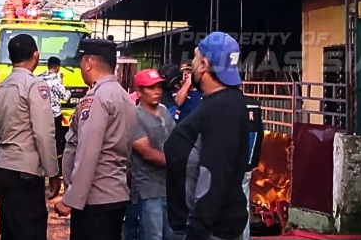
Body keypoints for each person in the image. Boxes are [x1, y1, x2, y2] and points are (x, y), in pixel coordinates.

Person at [164, 32, 250, 240]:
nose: (191, 64)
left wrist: (197, 229)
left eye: (194, 57)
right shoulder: (219, 102)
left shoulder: (223, 109)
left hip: (210, 231)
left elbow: (213, 174)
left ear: (203, 64)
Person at [55, 38, 137, 240]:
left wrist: (71, 200)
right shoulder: (123, 96)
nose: (81, 67)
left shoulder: (98, 98)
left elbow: (88, 152)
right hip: (115, 194)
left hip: (95, 200)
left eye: (81, 62)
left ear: (89, 62)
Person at [0, 34, 60, 240]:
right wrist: (53, 173)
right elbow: (44, 133)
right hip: (25, 172)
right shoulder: (34, 85)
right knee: (31, 232)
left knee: (10, 232)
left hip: (2, 170)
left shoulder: (1, 87)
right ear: (36, 55)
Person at [129, 70, 181, 240]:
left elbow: (176, 140)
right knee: (153, 235)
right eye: (151, 88)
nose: (157, 91)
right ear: (140, 91)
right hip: (148, 188)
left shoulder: (164, 111)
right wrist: (181, 163)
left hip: (170, 187)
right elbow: (147, 153)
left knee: (172, 235)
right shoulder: (134, 116)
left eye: (159, 87)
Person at [38, 56, 71, 172]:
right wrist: (68, 90)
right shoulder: (56, 80)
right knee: (57, 141)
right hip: (54, 115)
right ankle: (56, 168)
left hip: (41, 113)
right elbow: (65, 97)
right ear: (57, 67)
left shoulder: (39, 77)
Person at [243, 95, 265, 240]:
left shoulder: (224, 105)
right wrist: (253, 163)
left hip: (228, 167)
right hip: (246, 166)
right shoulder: (253, 105)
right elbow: (259, 133)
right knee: (243, 204)